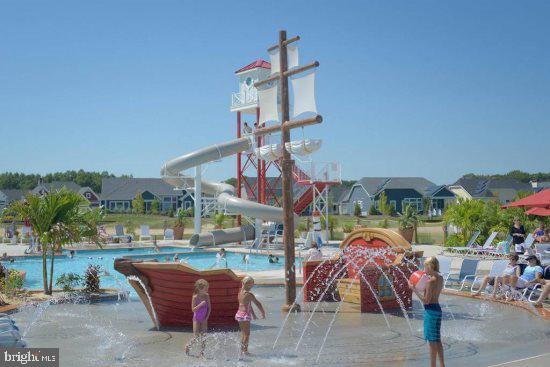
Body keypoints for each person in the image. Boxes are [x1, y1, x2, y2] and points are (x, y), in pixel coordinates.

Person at [409, 256, 446, 367]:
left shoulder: (430, 281)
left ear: (431, 266)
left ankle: (432, 365)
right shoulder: (440, 278)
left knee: (431, 341)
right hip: (438, 309)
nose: (424, 268)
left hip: (430, 311)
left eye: (425, 265)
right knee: (437, 339)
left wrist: (414, 289)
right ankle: (442, 365)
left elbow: (426, 301)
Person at [235, 276, 265, 357]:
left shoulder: (240, 293)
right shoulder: (249, 294)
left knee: (244, 334)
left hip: (239, 314)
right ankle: (245, 351)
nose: (252, 286)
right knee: (247, 334)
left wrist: (254, 314)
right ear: (247, 284)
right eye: (252, 284)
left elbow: (248, 305)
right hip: (245, 315)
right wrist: (263, 312)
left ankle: (242, 351)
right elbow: (258, 303)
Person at [185, 279, 211, 357]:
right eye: (206, 288)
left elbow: (209, 308)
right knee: (196, 336)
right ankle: (188, 346)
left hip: (204, 319)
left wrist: (206, 318)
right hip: (196, 319)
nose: (207, 289)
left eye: (207, 288)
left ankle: (202, 353)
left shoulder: (207, 296)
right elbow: (193, 310)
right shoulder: (195, 297)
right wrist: (200, 304)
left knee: (204, 336)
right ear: (200, 288)